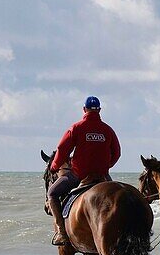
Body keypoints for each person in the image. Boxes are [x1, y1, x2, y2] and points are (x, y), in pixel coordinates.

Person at [47, 96, 121, 246]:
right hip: (103, 176)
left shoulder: (76, 128)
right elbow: (117, 152)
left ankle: (61, 232)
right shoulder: (107, 130)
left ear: (84, 109)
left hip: (79, 175)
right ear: (99, 110)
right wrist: (106, 166)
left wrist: (54, 167)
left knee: (52, 194)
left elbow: (62, 150)